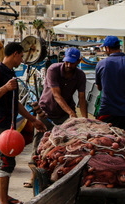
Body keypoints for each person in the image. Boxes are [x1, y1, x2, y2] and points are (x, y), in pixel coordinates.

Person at [0, 41, 45, 204]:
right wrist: (5, 87)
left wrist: (33, 120)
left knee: (8, 158)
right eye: (21, 56)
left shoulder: (10, 73)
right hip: (1, 122)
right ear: (15, 54)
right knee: (6, 159)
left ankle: (1, 196)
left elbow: (15, 102)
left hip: (9, 122)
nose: (22, 60)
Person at [26, 47, 88, 188]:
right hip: (46, 111)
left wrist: (84, 120)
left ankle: (59, 174)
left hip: (64, 114)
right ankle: (33, 178)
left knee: (65, 145)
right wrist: (72, 114)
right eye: (67, 61)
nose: (68, 65)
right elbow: (56, 95)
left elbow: (82, 98)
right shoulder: (53, 70)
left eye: (72, 62)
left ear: (78, 61)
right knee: (39, 144)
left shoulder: (80, 75)